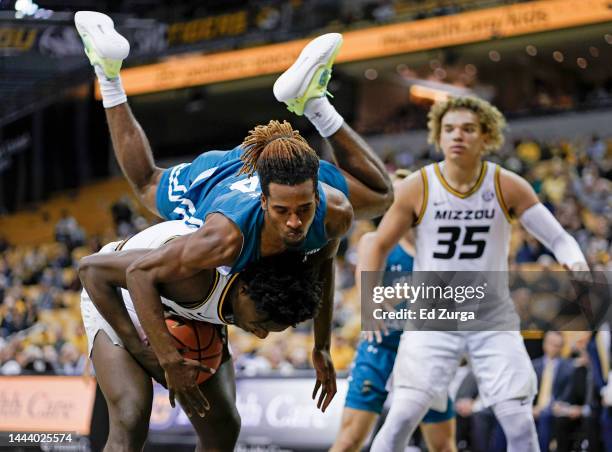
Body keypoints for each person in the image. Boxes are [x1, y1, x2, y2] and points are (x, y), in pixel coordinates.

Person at [74, 11, 393, 413]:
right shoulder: (223, 239)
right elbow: (138, 272)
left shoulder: (335, 212)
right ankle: (109, 73)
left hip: (282, 160)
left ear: (318, 194)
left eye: (304, 209)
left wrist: (322, 346)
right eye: (281, 212)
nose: (295, 222)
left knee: (382, 194)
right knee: (144, 183)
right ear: (263, 202)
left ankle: (313, 103)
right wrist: (167, 360)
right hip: (220, 178)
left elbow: (324, 269)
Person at [363, 96, 589, 452]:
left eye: (468, 129)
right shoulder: (417, 186)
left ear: (486, 137)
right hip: (433, 316)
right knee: (403, 415)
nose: (458, 136)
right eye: (449, 129)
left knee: (518, 421)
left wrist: (577, 265)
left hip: (490, 315)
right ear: (437, 136)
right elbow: (375, 244)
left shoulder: (506, 184)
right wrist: (368, 305)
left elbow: (559, 237)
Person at [79, 220, 323, 451]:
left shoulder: (253, 289)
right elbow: (90, 270)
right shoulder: (196, 274)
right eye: (261, 324)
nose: (260, 334)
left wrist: (322, 347)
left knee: (222, 427)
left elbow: (325, 259)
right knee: (131, 416)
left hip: (179, 307)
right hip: (118, 291)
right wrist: (149, 353)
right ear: (244, 291)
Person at [332, 172, 456, 452]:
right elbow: (367, 302)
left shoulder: (441, 249)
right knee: (350, 439)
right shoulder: (373, 242)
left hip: (425, 349)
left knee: (443, 445)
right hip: (381, 345)